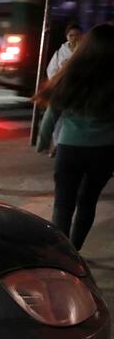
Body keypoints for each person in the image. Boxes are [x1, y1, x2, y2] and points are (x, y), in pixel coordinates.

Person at [34, 23, 114, 250]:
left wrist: (42, 141)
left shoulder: (73, 72)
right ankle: (75, 250)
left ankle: (61, 254)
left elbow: (52, 111)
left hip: (70, 148)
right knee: (88, 202)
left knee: (63, 204)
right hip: (105, 151)